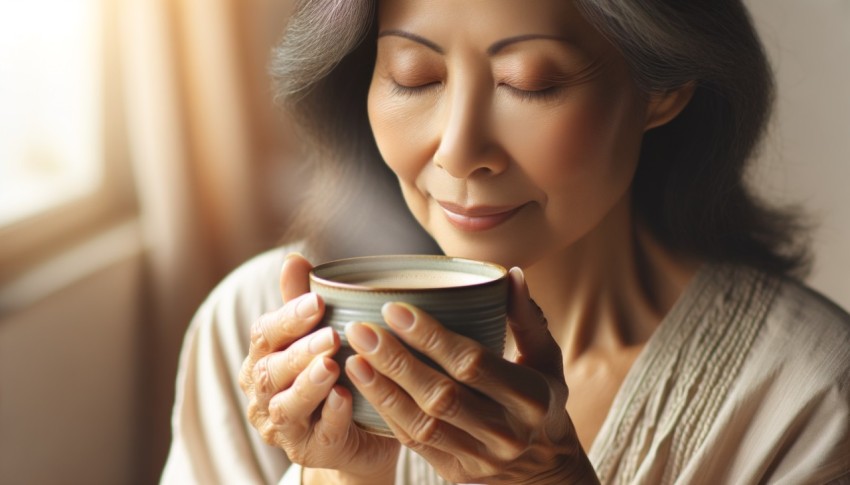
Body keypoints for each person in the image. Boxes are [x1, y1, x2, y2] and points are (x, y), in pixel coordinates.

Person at [160, 0, 850, 483]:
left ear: (662, 88)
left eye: (531, 84)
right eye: (414, 77)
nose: (460, 152)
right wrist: (340, 476)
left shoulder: (806, 395)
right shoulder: (263, 334)